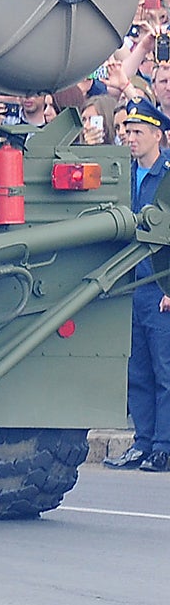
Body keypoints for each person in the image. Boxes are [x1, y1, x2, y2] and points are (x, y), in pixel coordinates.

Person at [106, 99, 170, 472]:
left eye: (138, 132)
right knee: (137, 370)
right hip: (130, 285)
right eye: (128, 132)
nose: (130, 138)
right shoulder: (124, 175)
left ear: (157, 135)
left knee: (165, 370)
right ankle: (143, 441)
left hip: (159, 285)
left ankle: (163, 444)